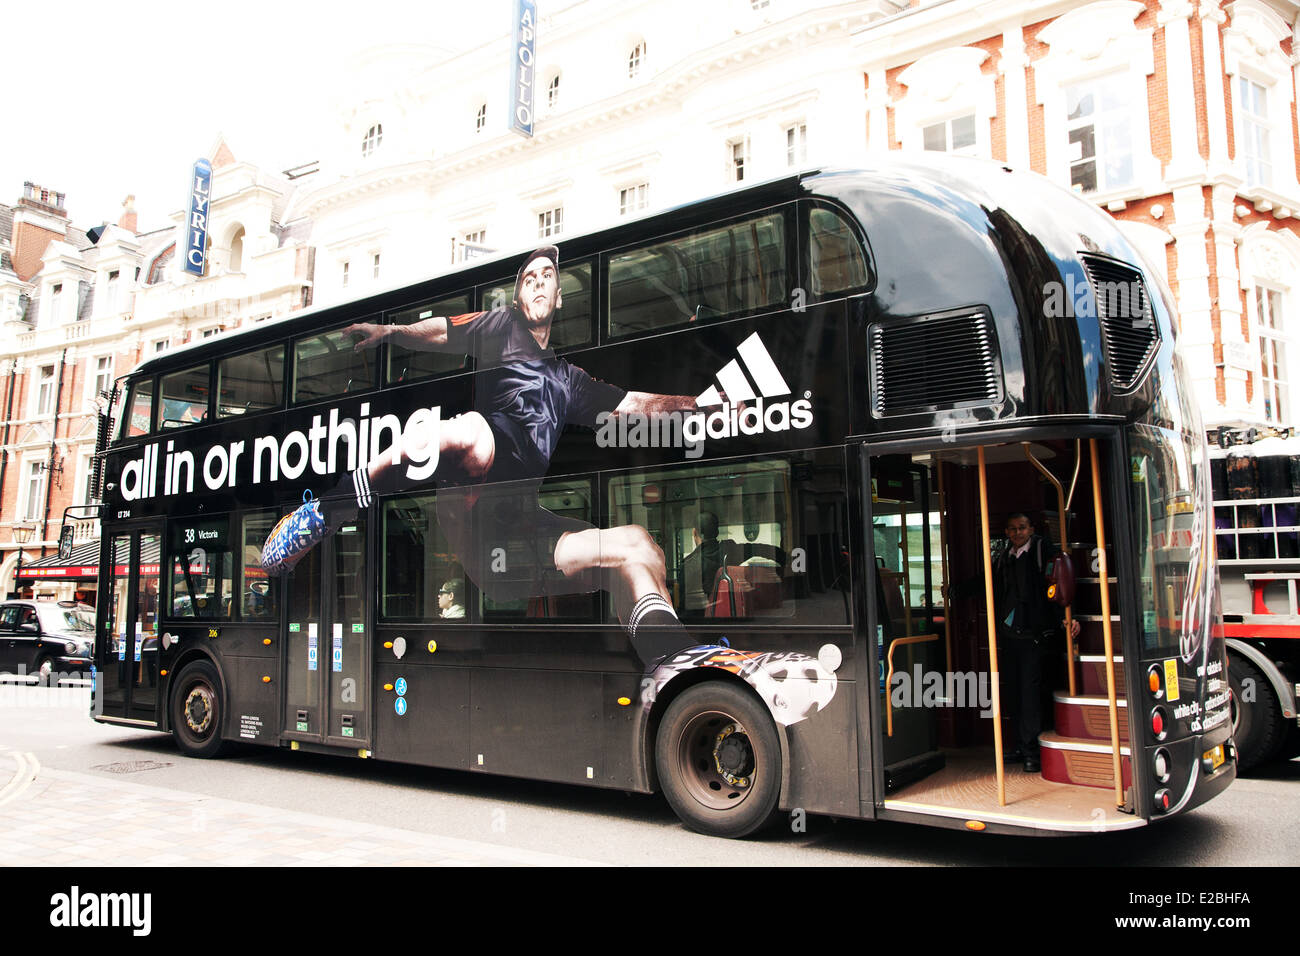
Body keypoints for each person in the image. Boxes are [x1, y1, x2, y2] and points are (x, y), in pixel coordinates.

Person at [262, 245, 703, 665]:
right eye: (529, 278)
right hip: (470, 511)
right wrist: (391, 332)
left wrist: (704, 405)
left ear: (559, 295)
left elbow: (634, 405)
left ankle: (670, 660)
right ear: (518, 295)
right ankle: (328, 508)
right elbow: (443, 331)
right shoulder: (502, 326)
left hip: (516, 540)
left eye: (546, 277)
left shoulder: (570, 381)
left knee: (637, 546)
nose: (537, 284)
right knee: (472, 431)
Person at [993, 512, 1080, 773]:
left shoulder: (1043, 551)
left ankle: (1032, 752)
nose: (1017, 533)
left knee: (1030, 695)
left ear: (1031, 529)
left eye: (1021, 528)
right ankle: (1021, 746)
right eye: (1011, 529)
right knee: (1014, 692)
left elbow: (1061, 582)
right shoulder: (1003, 558)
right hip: (1010, 636)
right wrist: (955, 590)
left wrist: (1069, 617)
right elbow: (989, 585)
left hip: (1035, 635)